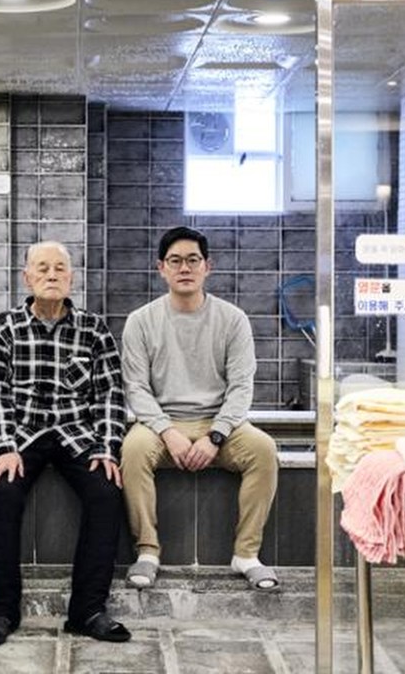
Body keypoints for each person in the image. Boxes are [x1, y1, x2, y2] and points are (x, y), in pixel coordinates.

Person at [0, 240, 132, 647]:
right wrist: (4, 447)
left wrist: (107, 447)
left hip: (77, 435)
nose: (51, 274)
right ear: (26, 277)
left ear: (71, 277)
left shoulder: (93, 330)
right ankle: (1, 611)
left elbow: (111, 394)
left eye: (60, 268)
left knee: (106, 492)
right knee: (1, 494)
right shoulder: (3, 329)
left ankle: (87, 611)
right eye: (42, 268)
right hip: (23, 435)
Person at [120, 226, 280, 591]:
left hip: (219, 423)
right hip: (161, 424)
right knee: (132, 449)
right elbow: (136, 388)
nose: (184, 268)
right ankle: (147, 550)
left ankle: (246, 554)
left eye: (193, 260)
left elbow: (241, 387)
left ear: (208, 266)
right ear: (161, 268)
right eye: (175, 261)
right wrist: (168, 432)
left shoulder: (232, 319)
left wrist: (215, 436)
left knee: (263, 449)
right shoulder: (141, 321)